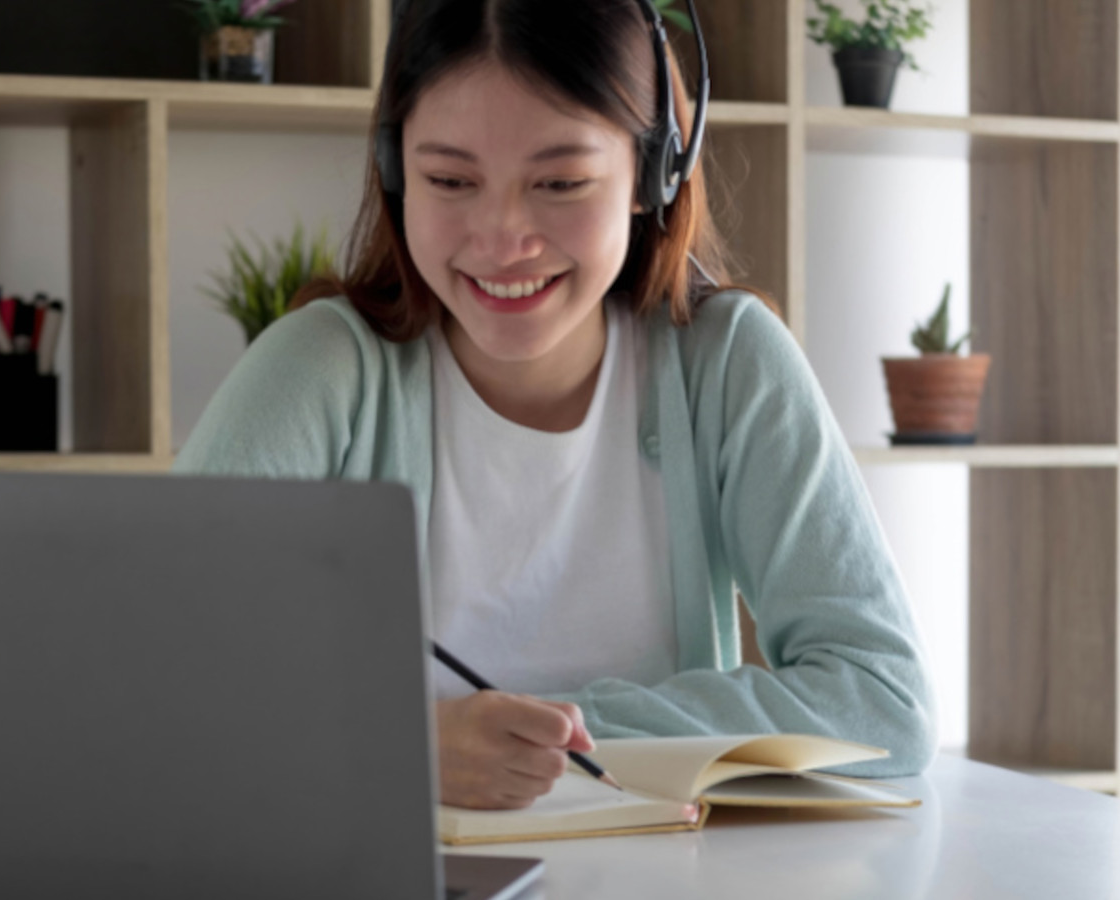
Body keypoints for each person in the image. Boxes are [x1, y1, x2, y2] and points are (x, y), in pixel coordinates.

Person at [172, 0, 937, 810]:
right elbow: (145, 675)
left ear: (653, 175)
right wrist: (407, 741)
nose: (503, 238)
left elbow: (882, 700)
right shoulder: (320, 368)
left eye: (561, 182)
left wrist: (549, 736)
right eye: (450, 180)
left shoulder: (727, 364)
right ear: (395, 172)